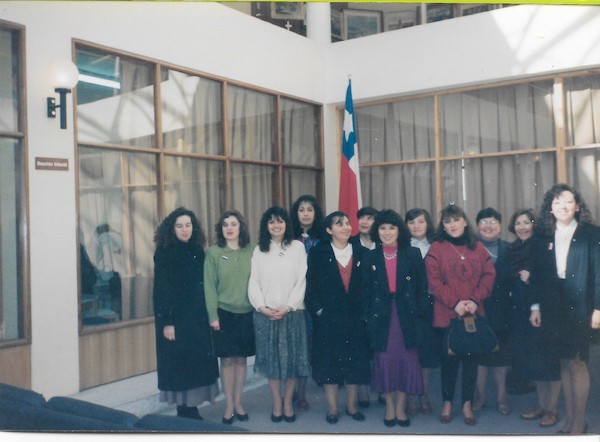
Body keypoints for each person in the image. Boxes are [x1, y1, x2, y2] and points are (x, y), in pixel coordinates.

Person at [529, 184, 600, 434]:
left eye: (568, 201)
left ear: (578, 206)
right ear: (550, 207)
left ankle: (579, 422)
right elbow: (536, 276)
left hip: (581, 305)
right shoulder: (542, 237)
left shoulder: (592, 233)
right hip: (552, 305)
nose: (563, 206)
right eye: (557, 202)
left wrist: (599, 309)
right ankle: (570, 420)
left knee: (577, 362)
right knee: (563, 363)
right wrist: (535, 307)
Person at [425, 204, 495, 426]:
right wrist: (455, 303)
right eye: (447, 222)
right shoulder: (436, 248)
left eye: (456, 220)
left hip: (474, 313)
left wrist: (474, 300)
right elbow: (434, 282)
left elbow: (489, 276)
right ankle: (447, 402)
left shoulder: (479, 248)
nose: (452, 225)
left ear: (465, 222)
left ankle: (466, 403)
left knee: (471, 360)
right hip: (447, 313)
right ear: (442, 226)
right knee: (449, 360)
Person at [362, 209, 429, 428]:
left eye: (392, 227)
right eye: (382, 228)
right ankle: (389, 407)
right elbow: (365, 293)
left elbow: (421, 290)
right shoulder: (370, 257)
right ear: (377, 231)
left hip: (406, 317)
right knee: (385, 363)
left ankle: (400, 408)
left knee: (406, 362)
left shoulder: (412, 254)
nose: (387, 232)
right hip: (381, 317)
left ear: (399, 230)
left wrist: (418, 314)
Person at [152, 207, 219, 420]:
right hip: (176, 320)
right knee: (179, 366)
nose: (184, 230)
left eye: (188, 225)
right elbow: (161, 290)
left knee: (195, 365)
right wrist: (167, 322)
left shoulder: (198, 250)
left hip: (196, 319)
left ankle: (192, 407)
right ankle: (183, 410)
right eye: (179, 226)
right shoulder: (164, 252)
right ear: (172, 228)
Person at [305, 211, 371, 424]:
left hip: (355, 319)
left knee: (354, 364)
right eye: (339, 224)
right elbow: (311, 287)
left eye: (346, 223)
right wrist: (320, 311)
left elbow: (368, 288)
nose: (345, 227)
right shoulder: (317, 252)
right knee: (329, 364)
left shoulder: (362, 251)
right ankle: (333, 408)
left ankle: (352, 407)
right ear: (328, 230)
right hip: (328, 320)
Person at [248, 206, 310, 423]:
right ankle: (276, 402)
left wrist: (289, 306)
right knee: (272, 363)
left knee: (292, 362)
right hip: (266, 315)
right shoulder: (259, 250)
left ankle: (287, 402)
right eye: (272, 221)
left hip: (291, 315)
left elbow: (301, 280)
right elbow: (253, 281)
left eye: (280, 221)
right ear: (266, 225)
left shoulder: (297, 248)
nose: (276, 225)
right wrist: (262, 307)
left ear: (287, 224)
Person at [505, 209, 561, 427]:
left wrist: (532, 279)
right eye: (517, 223)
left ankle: (552, 409)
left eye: (526, 222)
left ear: (533, 225)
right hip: (522, 310)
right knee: (534, 360)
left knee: (549, 360)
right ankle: (542, 405)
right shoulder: (513, 248)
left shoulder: (544, 245)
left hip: (544, 311)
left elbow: (552, 278)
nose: (522, 227)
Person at [204, 210, 256, 424]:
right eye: (225, 224)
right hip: (223, 315)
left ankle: (238, 403)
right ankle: (228, 407)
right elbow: (209, 287)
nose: (229, 228)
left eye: (233, 224)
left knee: (241, 360)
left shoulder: (253, 251)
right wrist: (213, 315)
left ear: (241, 227)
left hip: (246, 314)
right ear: (221, 229)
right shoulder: (214, 253)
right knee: (226, 361)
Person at [472, 208, 513, 415]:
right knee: (480, 357)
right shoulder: (468, 248)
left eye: (493, 221)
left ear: (499, 226)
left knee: (502, 357)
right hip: (478, 309)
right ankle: (481, 397)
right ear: (477, 225)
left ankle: (501, 397)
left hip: (504, 310)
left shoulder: (510, 248)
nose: (488, 225)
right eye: (484, 221)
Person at [289, 194, 325, 411]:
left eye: (309, 209)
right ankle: (290, 391)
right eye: (301, 209)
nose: (305, 213)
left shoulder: (322, 239)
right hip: (291, 301)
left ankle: (301, 393)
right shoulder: (288, 238)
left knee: (307, 349)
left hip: (312, 302)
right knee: (294, 348)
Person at [404, 208, 439, 416]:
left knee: (426, 354)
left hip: (431, 306)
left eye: (421, 222)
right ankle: (410, 396)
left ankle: (424, 395)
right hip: (406, 307)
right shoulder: (400, 247)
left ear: (428, 224)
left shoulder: (437, 247)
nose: (416, 226)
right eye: (411, 222)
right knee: (409, 353)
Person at [349, 206, 379, 408]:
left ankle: (384, 389)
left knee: (379, 350)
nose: (365, 221)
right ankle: (362, 392)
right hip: (357, 304)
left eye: (370, 218)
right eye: (361, 218)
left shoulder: (384, 242)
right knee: (359, 349)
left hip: (380, 304)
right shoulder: (349, 243)